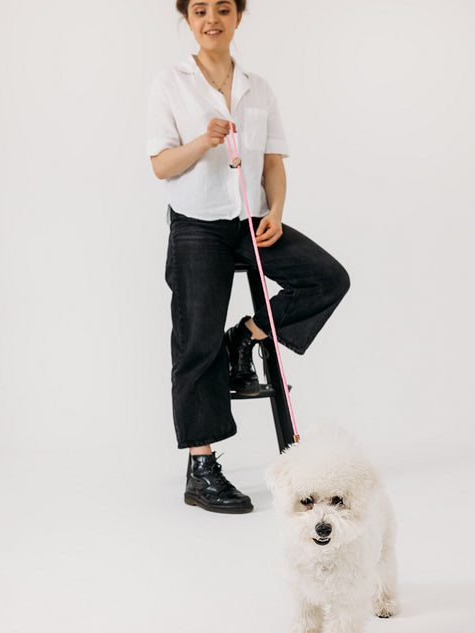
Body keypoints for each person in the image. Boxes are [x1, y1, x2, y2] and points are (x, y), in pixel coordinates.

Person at [147, 0, 350, 514]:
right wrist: (201, 142)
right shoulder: (169, 82)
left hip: (252, 222)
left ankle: (248, 335)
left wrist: (276, 211)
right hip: (196, 225)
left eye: (222, 8)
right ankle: (202, 467)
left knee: (327, 278)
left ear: (238, 16)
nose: (211, 18)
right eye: (199, 10)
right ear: (187, 19)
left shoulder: (258, 87)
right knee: (196, 341)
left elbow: (274, 163)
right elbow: (161, 165)